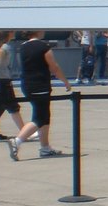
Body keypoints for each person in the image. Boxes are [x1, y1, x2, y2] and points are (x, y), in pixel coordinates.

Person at [9, 30, 72, 160]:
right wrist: (65, 82)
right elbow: (53, 67)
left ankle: (45, 147)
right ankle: (17, 141)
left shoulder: (23, 46)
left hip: (27, 84)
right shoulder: (43, 47)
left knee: (44, 115)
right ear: (37, 32)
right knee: (40, 118)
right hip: (40, 86)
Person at [0, 31, 25, 142]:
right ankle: (24, 131)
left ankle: (24, 131)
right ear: (9, 33)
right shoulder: (5, 48)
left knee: (5, 107)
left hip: (2, 80)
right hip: (2, 81)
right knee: (0, 108)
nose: (15, 32)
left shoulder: (3, 46)